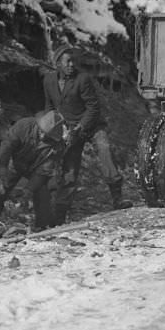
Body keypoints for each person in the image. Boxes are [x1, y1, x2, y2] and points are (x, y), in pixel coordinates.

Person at [44, 44, 133, 224]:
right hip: (69, 129)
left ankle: (118, 198)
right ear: (58, 64)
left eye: (73, 62)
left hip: (91, 126)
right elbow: (50, 109)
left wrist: (80, 128)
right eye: (67, 62)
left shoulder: (82, 79)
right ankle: (59, 214)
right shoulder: (48, 81)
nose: (71, 65)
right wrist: (54, 130)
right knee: (69, 169)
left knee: (104, 150)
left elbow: (93, 108)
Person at [0, 110, 67, 231]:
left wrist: (27, 192)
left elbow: (44, 171)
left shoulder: (57, 145)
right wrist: (2, 169)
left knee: (42, 193)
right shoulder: (23, 126)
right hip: (15, 163)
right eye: (42, 132)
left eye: (47, 135)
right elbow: (7, 147)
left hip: (36, 169)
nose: (43, 136)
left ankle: (43, 227)